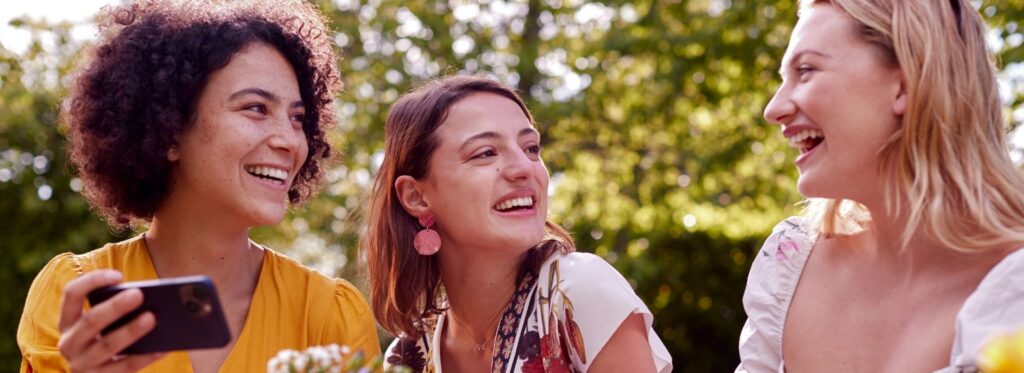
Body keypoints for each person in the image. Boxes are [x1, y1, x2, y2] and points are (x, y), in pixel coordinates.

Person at [16, 1, 379, 371]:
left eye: (297, 118)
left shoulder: (330, 316)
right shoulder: (78, 296)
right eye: (256, 108)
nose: (290, 140)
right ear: (170, 131)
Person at [737, 0, 1024, 371]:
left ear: (904, 84)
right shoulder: (789, 268)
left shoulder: (1013, 292)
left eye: (806, 71)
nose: (774, 109)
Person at [365, 75, 672, 372]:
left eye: (531, 149)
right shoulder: (408, 357)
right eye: (485, 153)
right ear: (416, 196)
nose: (525, 168)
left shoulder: (576, 291)